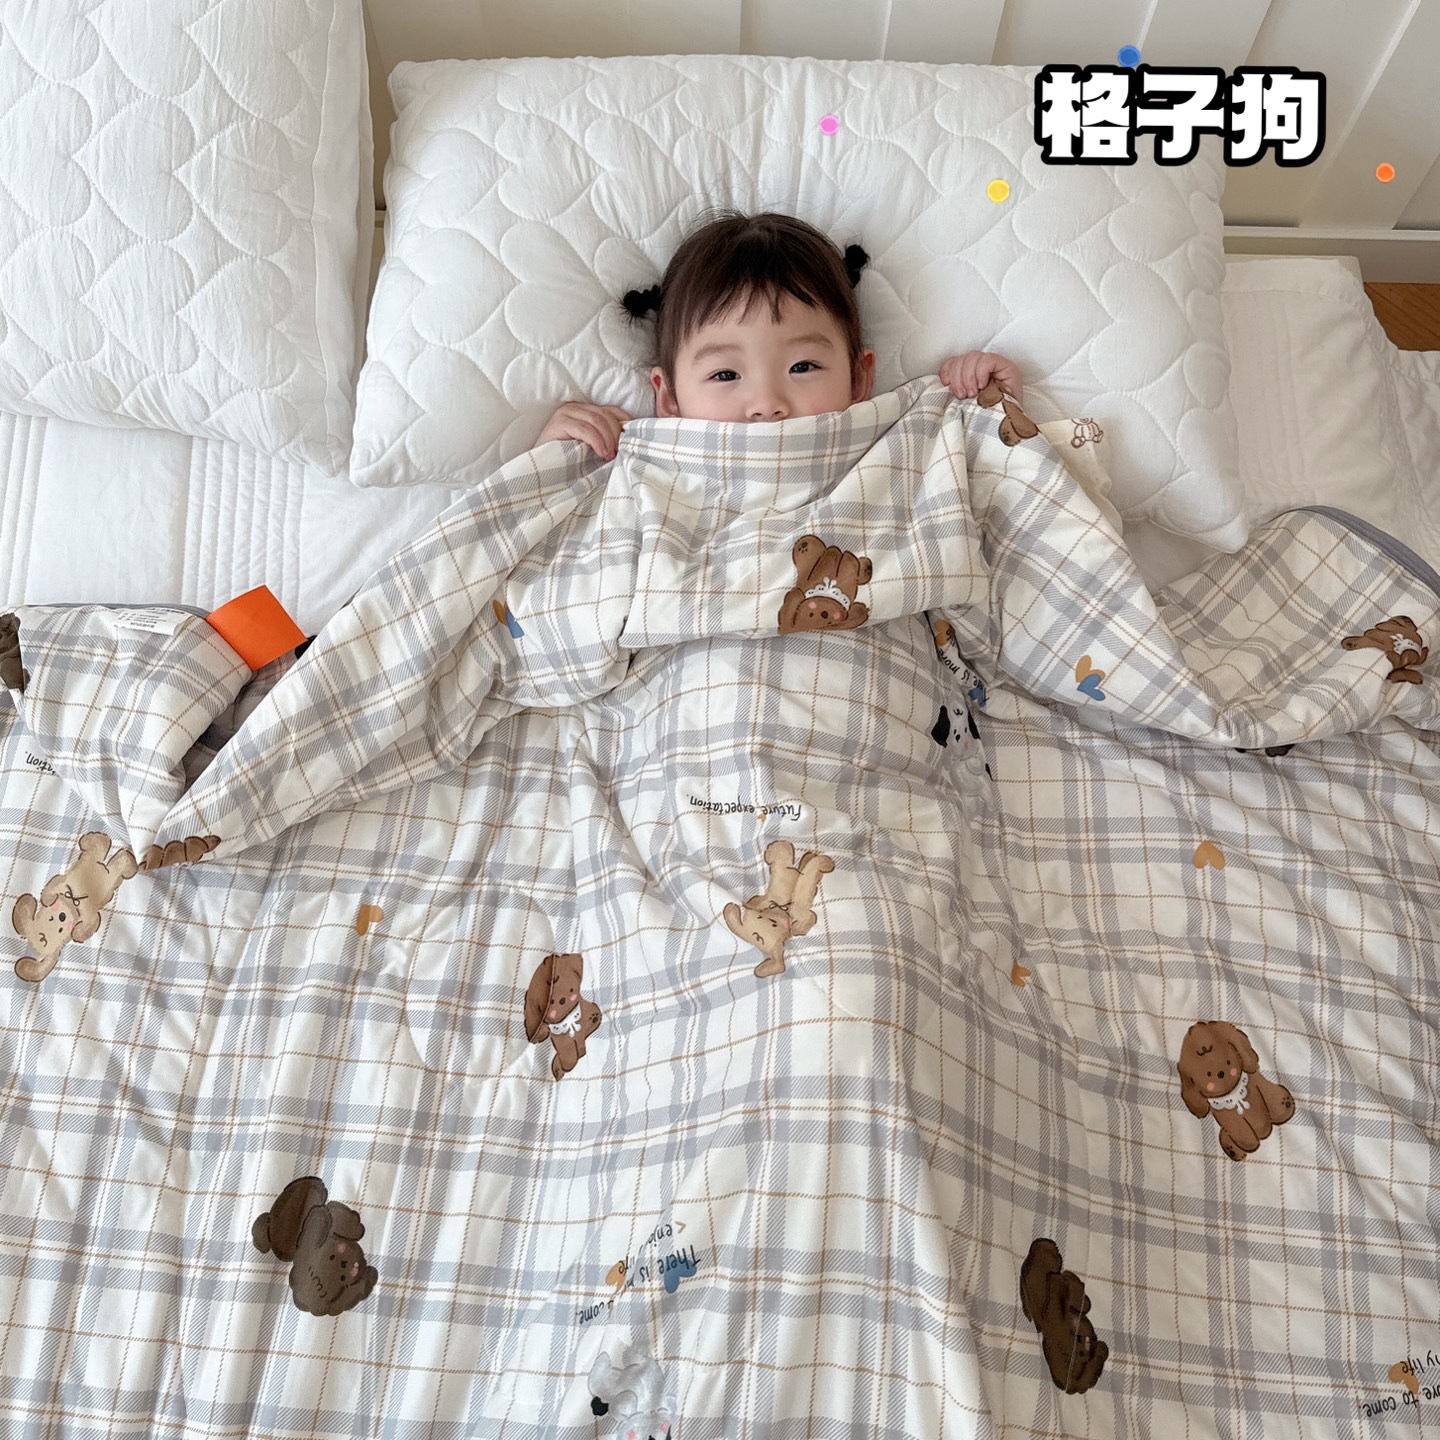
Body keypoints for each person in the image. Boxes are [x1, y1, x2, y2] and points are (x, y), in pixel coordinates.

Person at [535, 209, 1023, 460]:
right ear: (669, 397)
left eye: (803, 367)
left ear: (859, 379)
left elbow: (984, 494)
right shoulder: (647, 464)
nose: (767, 405)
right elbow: (553, 557)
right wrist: (552, 458)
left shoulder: (891, 447)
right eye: (725, 374)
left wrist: (990, 405)